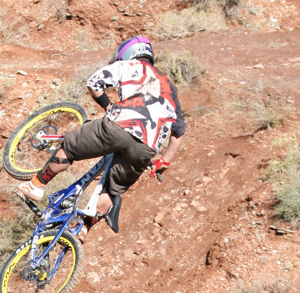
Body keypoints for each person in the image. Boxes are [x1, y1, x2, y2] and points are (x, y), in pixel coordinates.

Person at [18, 35, 185, 231]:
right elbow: (178, 132)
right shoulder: (170, 87)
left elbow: (94, 83)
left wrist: (108, 106)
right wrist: (163, 161)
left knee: (70, 146)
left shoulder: (129, 66)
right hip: (147, 148)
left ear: (128, 54)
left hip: (121, 126)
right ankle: (83, 230)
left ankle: (36, 185)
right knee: (112, 189)